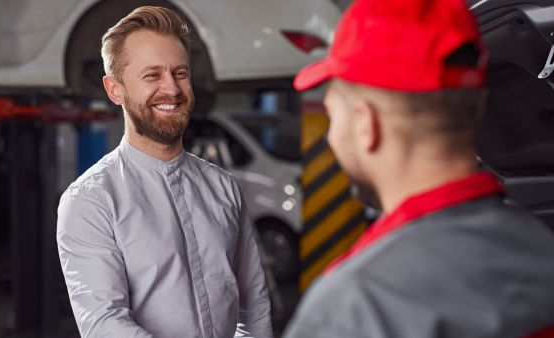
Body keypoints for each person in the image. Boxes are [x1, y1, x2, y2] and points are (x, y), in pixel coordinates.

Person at [283, 0, 554, 337]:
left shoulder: (355, 308)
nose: (331, 135)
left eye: (333, 113)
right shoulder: (540, 248)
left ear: (366, 124)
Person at [56, 6, 272, 338]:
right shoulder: (92, 201)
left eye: (180, 73)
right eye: (152, 75)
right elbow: (103, 323)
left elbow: (253, 307)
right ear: (115, 89)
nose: (171, 89)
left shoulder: (223, 187)